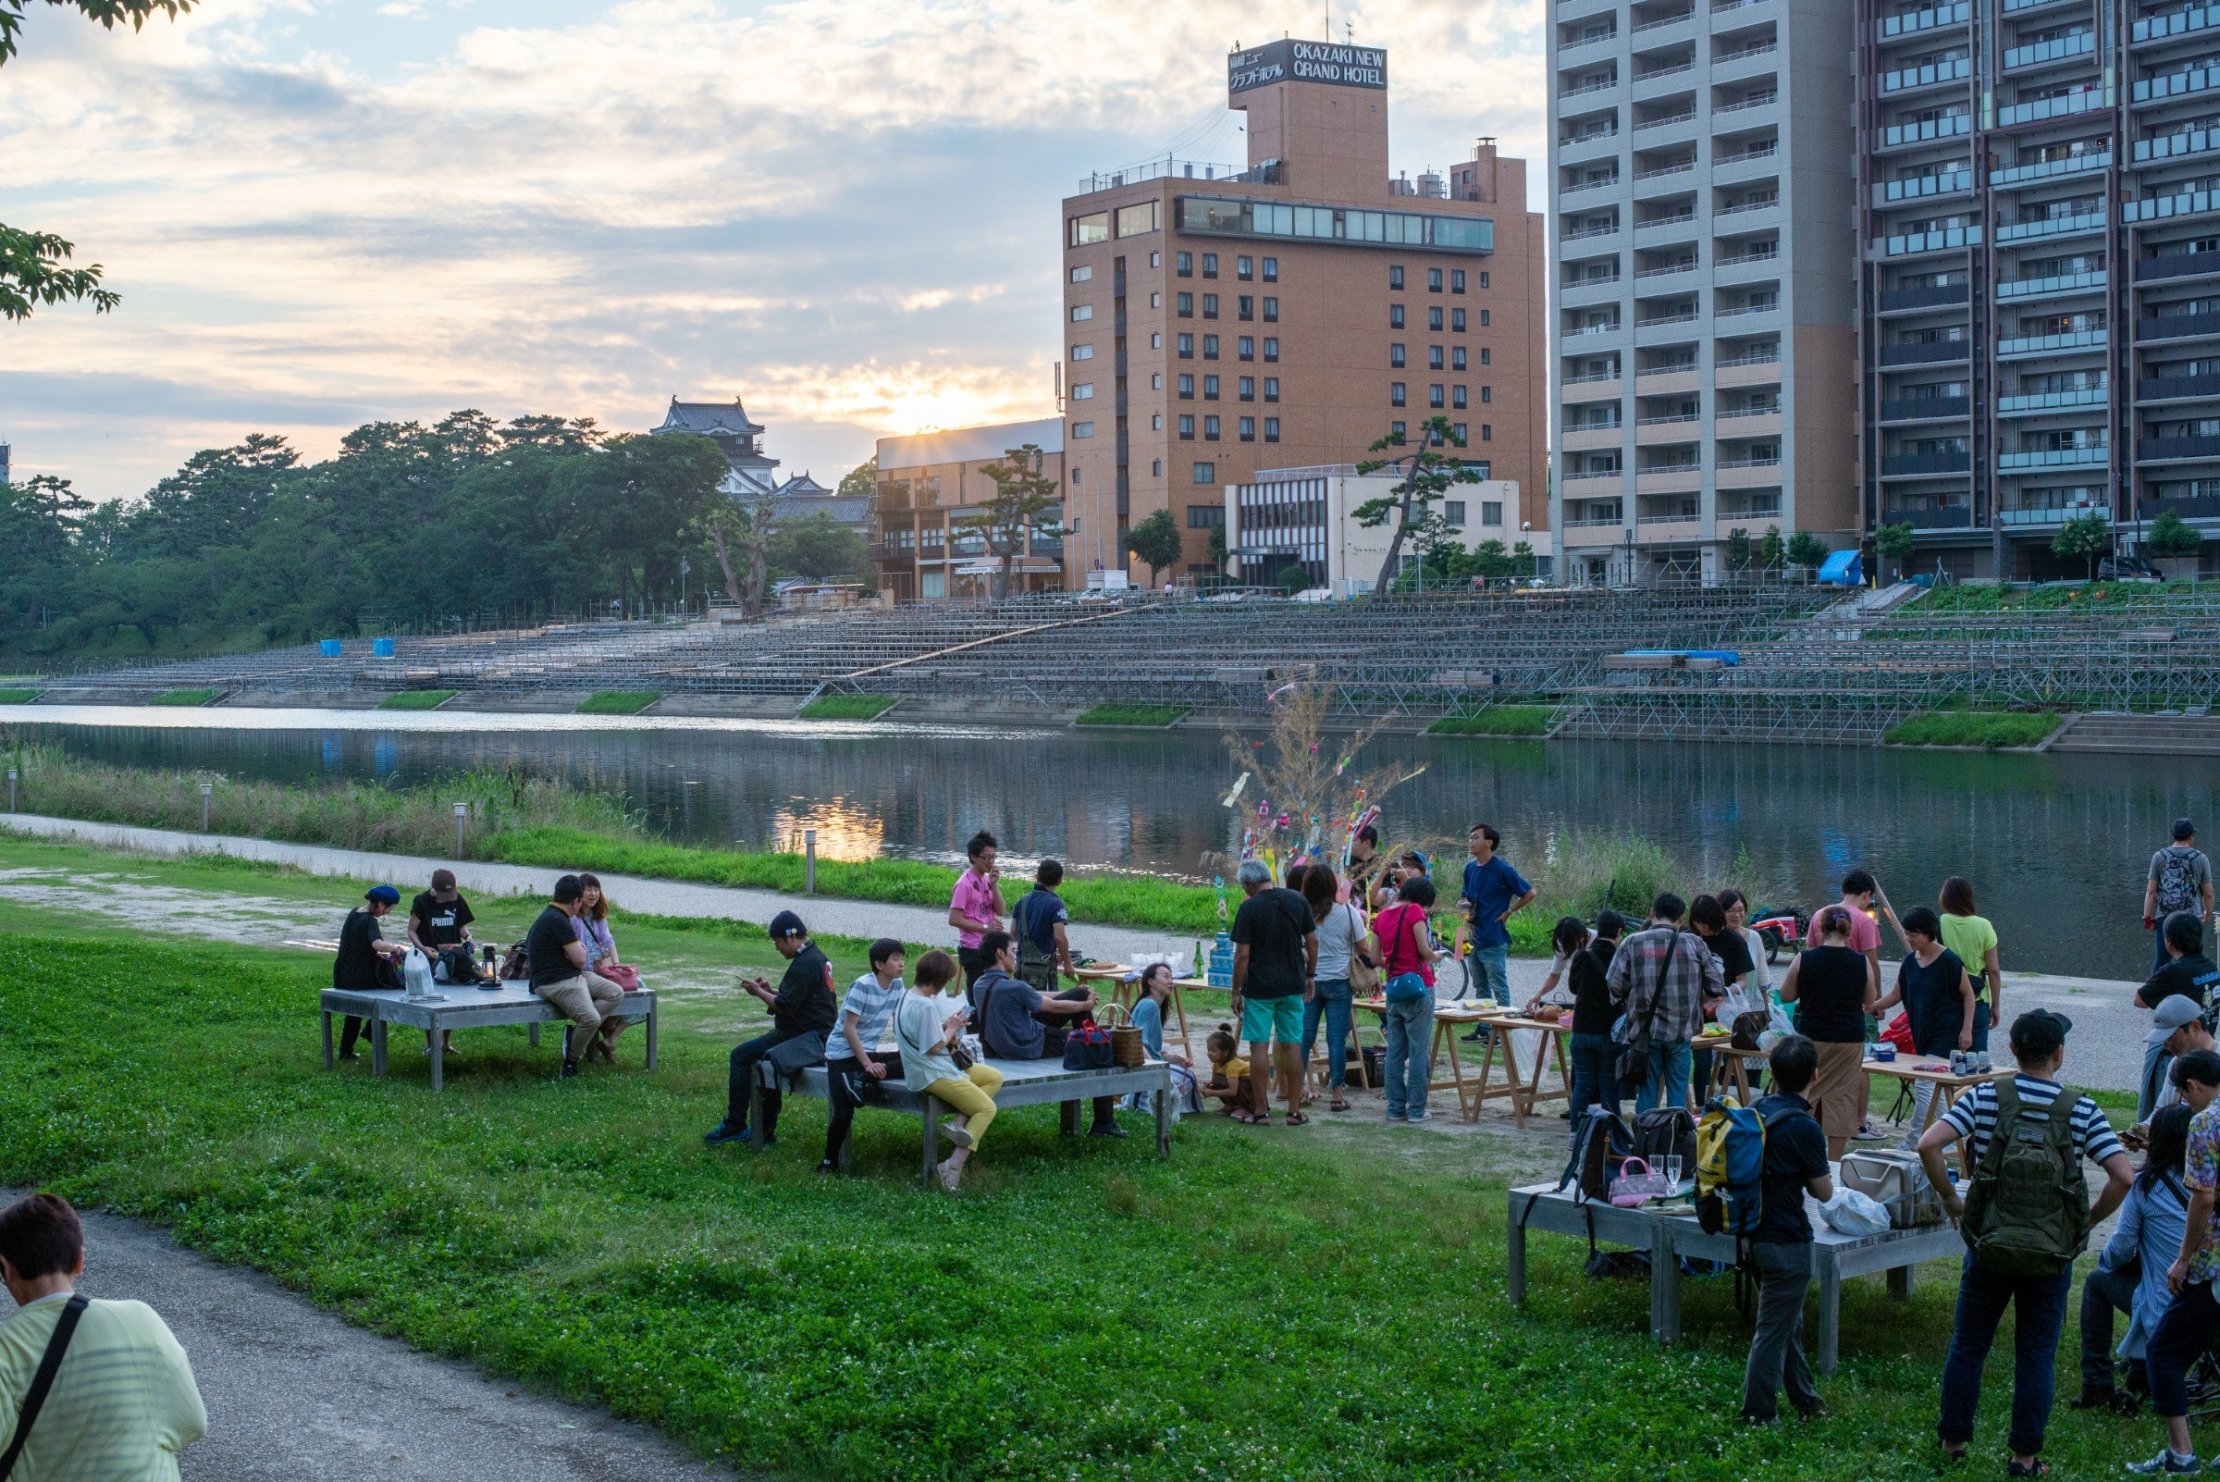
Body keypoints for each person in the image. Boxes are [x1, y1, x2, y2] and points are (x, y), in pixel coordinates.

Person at [1917, 1009, 2133, 1475]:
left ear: (2011, 1049)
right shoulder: (2083, 1109)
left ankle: (1953, 1442)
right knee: (2036, 1352)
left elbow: (1927, 1145)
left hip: (1989, 1243)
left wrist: (1954, 1202)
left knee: (1969, 1344)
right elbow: (2123, 1176)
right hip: (2051, 1253)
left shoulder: (1985, 1096)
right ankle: (2024, 1457)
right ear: (2059, 1054)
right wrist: (2086, 1222)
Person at [0, 1192, 206, 1479]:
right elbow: (192, 1421)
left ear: (7, 1269)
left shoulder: (6, 1348)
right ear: (79, 1261)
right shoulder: (141, 1319)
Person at [1739, 1034, 1834, 1426]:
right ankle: (1758, 1414)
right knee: (1772, 1333)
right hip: (1788, 1242)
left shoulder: (1754, 1110)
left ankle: (1806, 1400)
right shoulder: (1804, 1127)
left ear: (1772, 1073)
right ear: (1815, 1073)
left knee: (1786, 1321)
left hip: (1752, 1234)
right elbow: (1823, 1191)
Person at [2075, 1104, 2190, 1415]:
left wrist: (2106, 1260)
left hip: (2173, 1305)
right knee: (2147, 1280)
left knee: (2099, 1282)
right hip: (2209, 1301)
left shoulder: (2146, 1186)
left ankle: (2097, 1382)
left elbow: (2121, 1248)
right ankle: (2140, 1370)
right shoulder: (2209, 1184)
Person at [2137, 1087, 2220, 1473]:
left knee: (2164, 1351)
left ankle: (2181, 1453)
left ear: (2194, 1087)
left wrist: (2183, 1259)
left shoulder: (2207, 1122)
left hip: (2211, 1265)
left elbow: (2202, 1197)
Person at [703, 909, 836, 1145]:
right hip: (814, 1032)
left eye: (777, 941)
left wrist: (759, 992)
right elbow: (798, 999)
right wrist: (768, 989)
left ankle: (735, 1124)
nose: (776, 947)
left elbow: (785, 1005)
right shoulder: (816, 957)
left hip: (806, 1037)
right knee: (764, 1059)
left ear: (790, 938)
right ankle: (764, 1131)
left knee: (740, 1056)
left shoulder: (805, 963)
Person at [975, 930, 1120, 1136]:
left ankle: (1086, 1030)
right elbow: (1054, 1007)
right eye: (1013, 951)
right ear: (1000, 954)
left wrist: (1079, 995)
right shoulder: (1014, 988)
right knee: (1099, 1049)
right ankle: (1104, 1121)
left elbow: (1033, 995)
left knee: (1080, 993)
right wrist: (1085, 1005)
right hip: (1030, 1044)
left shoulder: (980, 984)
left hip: (1002, 1046)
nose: (1015, 957)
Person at [895, 949, 1004, 1191]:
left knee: (993, 1077)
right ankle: (952, 1167)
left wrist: (946, 1023)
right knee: (987, 1108)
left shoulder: (908, 996)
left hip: (938, 1066)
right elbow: (934, 1046)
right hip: (930, 1072)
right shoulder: (925, 1006)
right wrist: (952, 1028)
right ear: (937, 980)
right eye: (945, 981)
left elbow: (922, 1032)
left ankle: (958, 1124)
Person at [1777, 906, 1879, 1160]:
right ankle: (1832, 1163)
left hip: (1813, 1036)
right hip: (1849, 1038)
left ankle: (1801, 1154)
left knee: (1806, 1092)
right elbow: (1870, 999)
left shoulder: (1805, 958)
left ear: (1819, 928)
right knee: (1842, 1096)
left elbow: (1786, 995)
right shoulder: (1860, 961)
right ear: (1848, 930)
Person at [1605, 892, 1721, 1115]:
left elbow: (1614, 985)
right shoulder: (1695, 943)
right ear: (1680, 918)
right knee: (1678, 1090)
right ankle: (1674, 1139)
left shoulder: (1632, 942)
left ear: (1652, 913)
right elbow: (1716, 985)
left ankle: (1645, 1139)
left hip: (1645, 1033)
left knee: (1647, 1092)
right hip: (1681, 1032)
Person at [1870, 905, 1974, 1142]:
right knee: (1938, 1088)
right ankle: (1951, 1142)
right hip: (1921, 1032)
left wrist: (1966, 1029)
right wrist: (1873, 1005)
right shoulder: (1909, 962)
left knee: (1925, 1084)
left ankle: (1913, 1140)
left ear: (1928, 932)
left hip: (1946, 1033)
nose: (1908, 939)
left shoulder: (1949, 961)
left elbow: (1968, 994)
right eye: (1907, 934)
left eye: (1913, 934)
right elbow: (1896, 994)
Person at [1230, 857, 1317, 1126]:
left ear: (1247, 883)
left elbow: (1242, 956)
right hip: (1292, 984)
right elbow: (1313, 941)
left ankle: (1260, 1110)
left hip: (1259, 988)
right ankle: (1293, 1110)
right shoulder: (1297, 900)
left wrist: (1235, 990)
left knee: (1259, 1046)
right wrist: (1310, 974)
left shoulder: (1249, 908)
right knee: (1292, 1044)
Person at [1526, 911, 1624, 1138]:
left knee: (1583, 1084)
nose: (1567, 952)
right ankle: (1615, 1136)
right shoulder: (1618, 952)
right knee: (1607, 1084)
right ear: (1618, 932)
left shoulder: (1586, 953)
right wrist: (1537, 995)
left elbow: (1572, 987)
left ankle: (1575, 1133)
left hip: (1583, 1027)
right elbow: (1555, 975)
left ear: (1584, 936)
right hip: (1607, 1028)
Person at [817, 937, 906, 1175]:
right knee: (844, 1112)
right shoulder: (862, 986)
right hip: (841, 1054)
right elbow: (849, 1028)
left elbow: (899, 1021)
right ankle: (828, 1162)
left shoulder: (897, 986)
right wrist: (868, 1064)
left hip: (865, 1054)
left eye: (902, 959)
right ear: (879, 964)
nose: (901, 964)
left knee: (909, 1061)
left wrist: (906, 1048)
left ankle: (860, 1080)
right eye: (895, 959)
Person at [1809, 869, 1886, 1141]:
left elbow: (1810, 953)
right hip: (1853, 1007)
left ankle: (1815, 1121)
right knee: (1860, 1064)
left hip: (1820, 1007)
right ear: (1866, 894)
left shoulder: (1820, 915)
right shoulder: (1863, 921)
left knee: (1817, 1067)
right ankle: (1860, 1121)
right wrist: (1876, 1001)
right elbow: (1872, 964)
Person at [525, 874, 627, 1077]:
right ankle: (571, 1061)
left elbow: (577, 959)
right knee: (590, 1019)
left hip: (573, 974)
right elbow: (580, 958)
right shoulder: (557, 920)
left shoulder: (556, 916)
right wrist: (578, 949)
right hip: (554, 981)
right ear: (575, 901)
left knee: (615, 993)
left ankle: (576, 1033)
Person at [1374, 874, 1444, 1123]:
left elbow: (1375, 958)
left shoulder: (1381, 917)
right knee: (1418, 1051)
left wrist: (1395, 961)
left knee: (1395, 1051)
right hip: (1419, 986)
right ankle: (1416, 1110)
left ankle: (1394, 1108)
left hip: (1393, 987)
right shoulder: (1415, 912)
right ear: (1422, 899)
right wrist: (1438, 956)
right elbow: (1424, 951)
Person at [1301, 863, 1371, 1113]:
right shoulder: (1348, 912)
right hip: (1340, 981)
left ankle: (1297, 1090)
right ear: (1333, 886)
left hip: (1310, 980)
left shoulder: (1303, 913)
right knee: (1336, 1039)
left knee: (1305, 1037)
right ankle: (1337, 1095)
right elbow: (1363, 948)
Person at [2137, 913, 2220, 1120]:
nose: (2166, 1043)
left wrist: (2169, 1005)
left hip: (2185, 1047)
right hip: (2204, 1042)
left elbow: (2139, 999)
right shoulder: (2211, 967)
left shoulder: (2173, 971)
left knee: (2171, 1110)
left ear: (2168, 941)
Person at [1454, 824, 1536, 1012]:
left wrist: (1509, 911)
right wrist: (1462, 905)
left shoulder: (1502, 869)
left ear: (1489, 842)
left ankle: (1502, 1031)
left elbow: (1530, 892)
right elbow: (1466, 897)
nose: (1471, 842)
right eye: (1470, 838)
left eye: (1475, 838)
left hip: (1493, 937)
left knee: (1498, 986)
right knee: (1480, 986)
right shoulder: (1469, 869)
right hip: (1474, 937)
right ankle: (1484, 1028)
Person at [406, 867, 477, 1058]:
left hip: (452, 956)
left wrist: (468, 938)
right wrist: (422, 948)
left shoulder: (457, 900)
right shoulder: (422, 902)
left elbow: (460, 925)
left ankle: (446, 1043)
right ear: (435, 891)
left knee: (450, 999)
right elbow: (411, 930)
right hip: (431, 956)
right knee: (432, 1001)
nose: (448, 897)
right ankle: (431, 1044)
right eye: (444, 894)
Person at [332, 883, 407, 1060]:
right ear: (380, 904)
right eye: (389, 908)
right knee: (393, 988)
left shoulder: (354, 912)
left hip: (343, 973)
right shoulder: (370, 921)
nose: (387, 912)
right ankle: (371, 1030)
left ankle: (346, 1050)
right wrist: (396, 949)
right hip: (360, 976)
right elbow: (377, 944)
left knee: (354, 1012)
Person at [1689, 894, 1752, 1099]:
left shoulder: (1733, 941)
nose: (1701, 928)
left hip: (1724, 1012)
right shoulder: (1690, 937)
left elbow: (1743, 980)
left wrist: (1724, 992)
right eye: (1697, 922)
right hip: (1697, 1012)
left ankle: (1729, 1104)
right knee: (1702, 1064)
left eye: (1704, 923)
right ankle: (1701, 1105)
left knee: (1730, 1062)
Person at [1938, 876, 2004, 1054]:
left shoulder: (1939, 923)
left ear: (1945, 898)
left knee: (1945, 1059)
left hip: (1947, 999)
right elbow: (1994, 970)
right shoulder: (1983, 926)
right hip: (1977, 999)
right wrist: (1996, 1005)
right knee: (1976, 1059)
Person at [1126, 962, 1201, 1116]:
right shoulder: (1149, 1006)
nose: (1170, 981)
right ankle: (1145, 1101)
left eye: (1171, 977)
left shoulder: (1154, 1005)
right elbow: (1138, 1043)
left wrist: (1175, 1058)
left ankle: (1151, 1101)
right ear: (1150, 981)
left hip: (1145, 1064)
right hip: (1140, 1068)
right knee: (1188, 1079)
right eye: (1165, 976)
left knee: (1187, 1073)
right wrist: (1155, 1070)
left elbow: (1153, 1049)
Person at [570, 873, 635, 1047]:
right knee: (616, 992)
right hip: (586, 972)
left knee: (636, 985)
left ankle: (611, 1039)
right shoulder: (572, 918)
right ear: (579, 892)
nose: (593, 894)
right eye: (588, 889)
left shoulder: (598, 916)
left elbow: (608, 940)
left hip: (603, 970)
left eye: (596, 889)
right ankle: (604, 1027)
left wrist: (616, 965)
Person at [2146, 818, 2217, 976]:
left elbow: (2151, 891)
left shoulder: (2159, 856)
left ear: (2173, 835)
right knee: (2192, 958)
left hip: (2164, 916)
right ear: (2191, 836)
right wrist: (2208, 912)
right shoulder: (2201, 858)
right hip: (2191, 917)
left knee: (2162, 960)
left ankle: (2154, 994)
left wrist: (2147, 918)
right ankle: (2193, 992)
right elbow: (2209, 892)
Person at [948, 830, 1007, 994]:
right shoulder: (964, 884)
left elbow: (1001, 910)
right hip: (973, 948)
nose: (990, 862)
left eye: (993, 857)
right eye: (986, 857)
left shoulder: (987, 880)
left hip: (989, 946)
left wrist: (994, 885)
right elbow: (954, 919)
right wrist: (985, 927)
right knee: (978, 995)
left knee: (993, 993)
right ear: (973, 857)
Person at [1010, 859, 1075, 992]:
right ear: (1059, 881)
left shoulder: (1022, 901)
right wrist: (1068, 963)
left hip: (1022, 963)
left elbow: (1012, 932)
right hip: (1043, 967)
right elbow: (1059, 937)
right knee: (1045, 1006)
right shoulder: (1056, 904)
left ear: (1037, 876)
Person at [1200, 1023, 1256, 1116]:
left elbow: (1232, 1091)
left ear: (1225, 1052)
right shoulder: (1216, 1065)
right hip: (1235, 1086)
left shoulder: (1232, 1066)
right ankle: (1231, 1105)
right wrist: (1210, 1086)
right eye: (1208, 1049)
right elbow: (1218, 1083)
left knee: (1233, 1083)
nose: (1209, 1053)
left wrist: (1212, 1092)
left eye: (1213, 1050)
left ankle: (1244, 1107)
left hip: (1250, 1092)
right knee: (1218, 1081)